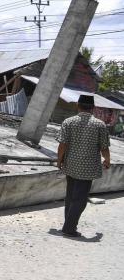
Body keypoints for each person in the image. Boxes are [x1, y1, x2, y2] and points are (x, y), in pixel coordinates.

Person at [56, 95, 111, 238]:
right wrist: (107, 160)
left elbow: (62, 144)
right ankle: (69, 228)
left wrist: (59, 160)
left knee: (70, 196)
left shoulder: (68, 122)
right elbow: (104, 147)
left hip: (71, 165)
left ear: (78, 105)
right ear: (92, 108)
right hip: (88, 168)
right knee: (80, 199)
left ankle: (68, 224)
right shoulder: (100, 125)